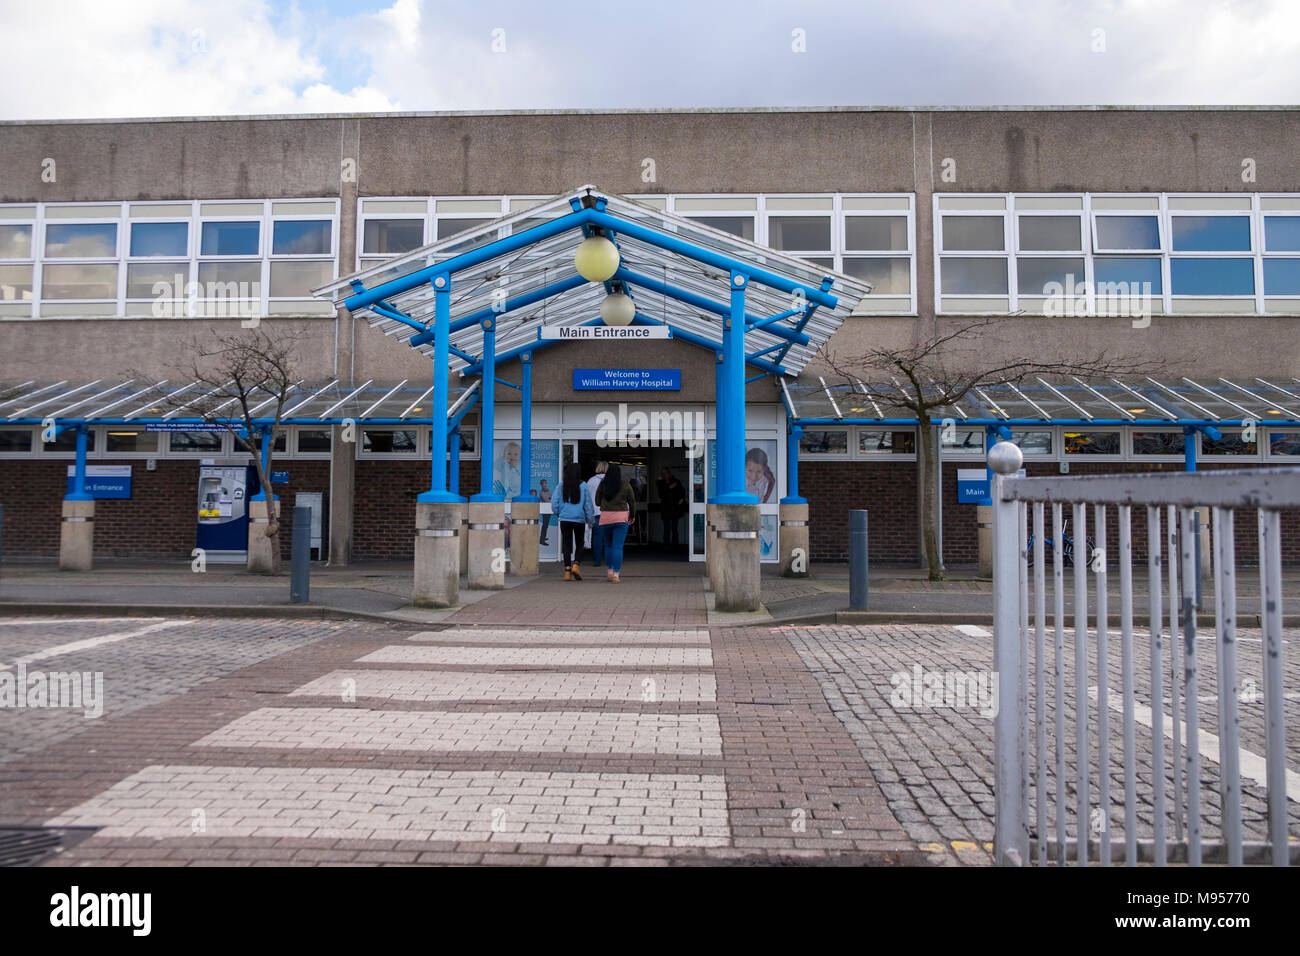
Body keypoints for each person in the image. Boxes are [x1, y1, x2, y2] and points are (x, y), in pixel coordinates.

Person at [552, 461, 595, 581]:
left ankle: (567, 571)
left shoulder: (561, 485)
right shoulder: (584, 485)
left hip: (565, 519)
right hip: (579, 519)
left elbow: (554, 503)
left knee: (567, 544)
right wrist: (591, 520)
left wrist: (559, 513)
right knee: (579, 543)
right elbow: (588, 505)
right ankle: (576, 565)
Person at [594, 463, 635, 584]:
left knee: (607, 545)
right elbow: (632, 502)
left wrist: (606, 505)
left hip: (606, 518)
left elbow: (597, 501)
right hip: (621, 518)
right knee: (617, 547)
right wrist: (632, 515)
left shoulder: (603, 484)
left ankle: (610, 572)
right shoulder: (626, 485)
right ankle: (616, 575)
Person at [656, 466, 688, 550]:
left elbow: (682, 492)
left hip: (675, 508)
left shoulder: (676, 482)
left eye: (666, 473)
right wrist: (669, 488)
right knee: (666, 528)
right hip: (665, 508)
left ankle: (675, 545)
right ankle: (666, 545)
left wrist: (681, 499)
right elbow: (661, 495)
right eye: (663, 473)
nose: (665, 475)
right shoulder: (660, 483)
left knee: (674, 527)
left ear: (669, 473)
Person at [585, 461, 607, 567]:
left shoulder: (591, 481)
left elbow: (587, 499)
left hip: (596, 512)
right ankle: (610, 559)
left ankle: (597, 560)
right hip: (608, 512)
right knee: (609, 537)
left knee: (597, 537)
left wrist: (587, 514)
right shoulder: (611, 480)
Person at [536, 480, 551, 545]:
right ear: (541, 485)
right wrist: (549, 499)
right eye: (543, 484)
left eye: (545, 483)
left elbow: (551, 498)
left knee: (546, 525)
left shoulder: (548, 491)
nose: (544, 485)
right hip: (545, 510)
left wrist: (550, 499)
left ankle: (543, 537)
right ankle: (542, 540)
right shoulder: (541, 492)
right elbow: (547, 500)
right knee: (545, 525)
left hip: (549, 509)